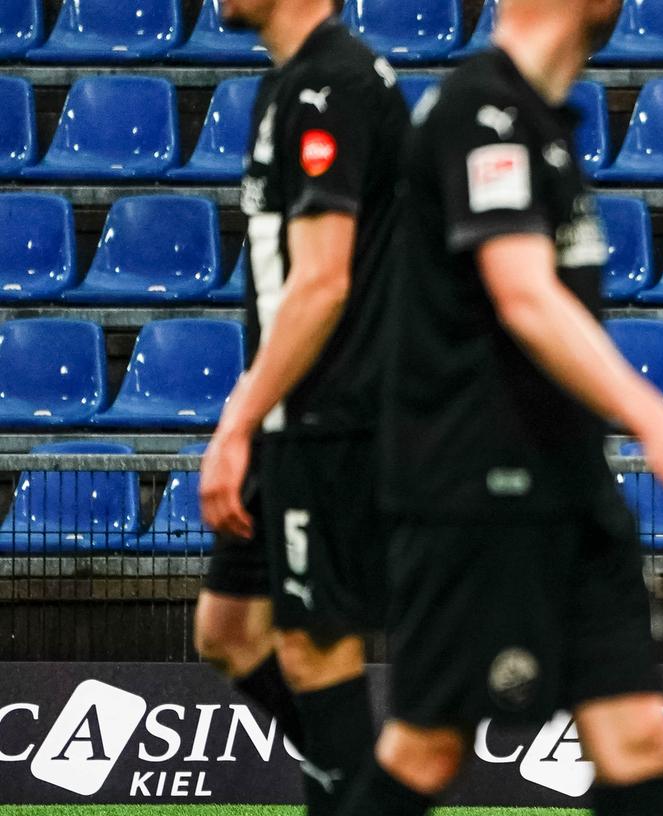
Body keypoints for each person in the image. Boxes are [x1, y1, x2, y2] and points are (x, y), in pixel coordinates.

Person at [335, 1, 663, 814]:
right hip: (473, 486)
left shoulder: (543, 121)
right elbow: (523, 296)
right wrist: (659, 422)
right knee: (426, 747)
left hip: (567, 484)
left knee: (637, 737)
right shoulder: (478, 110)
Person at [196, 0, 408, 813]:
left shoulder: (334, 84)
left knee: (318, 650)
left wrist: (237, 421)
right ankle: (365, 786)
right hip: (287, 416)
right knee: (229, 631)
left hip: (330, 416)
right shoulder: (287, 86)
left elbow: (322, 283)